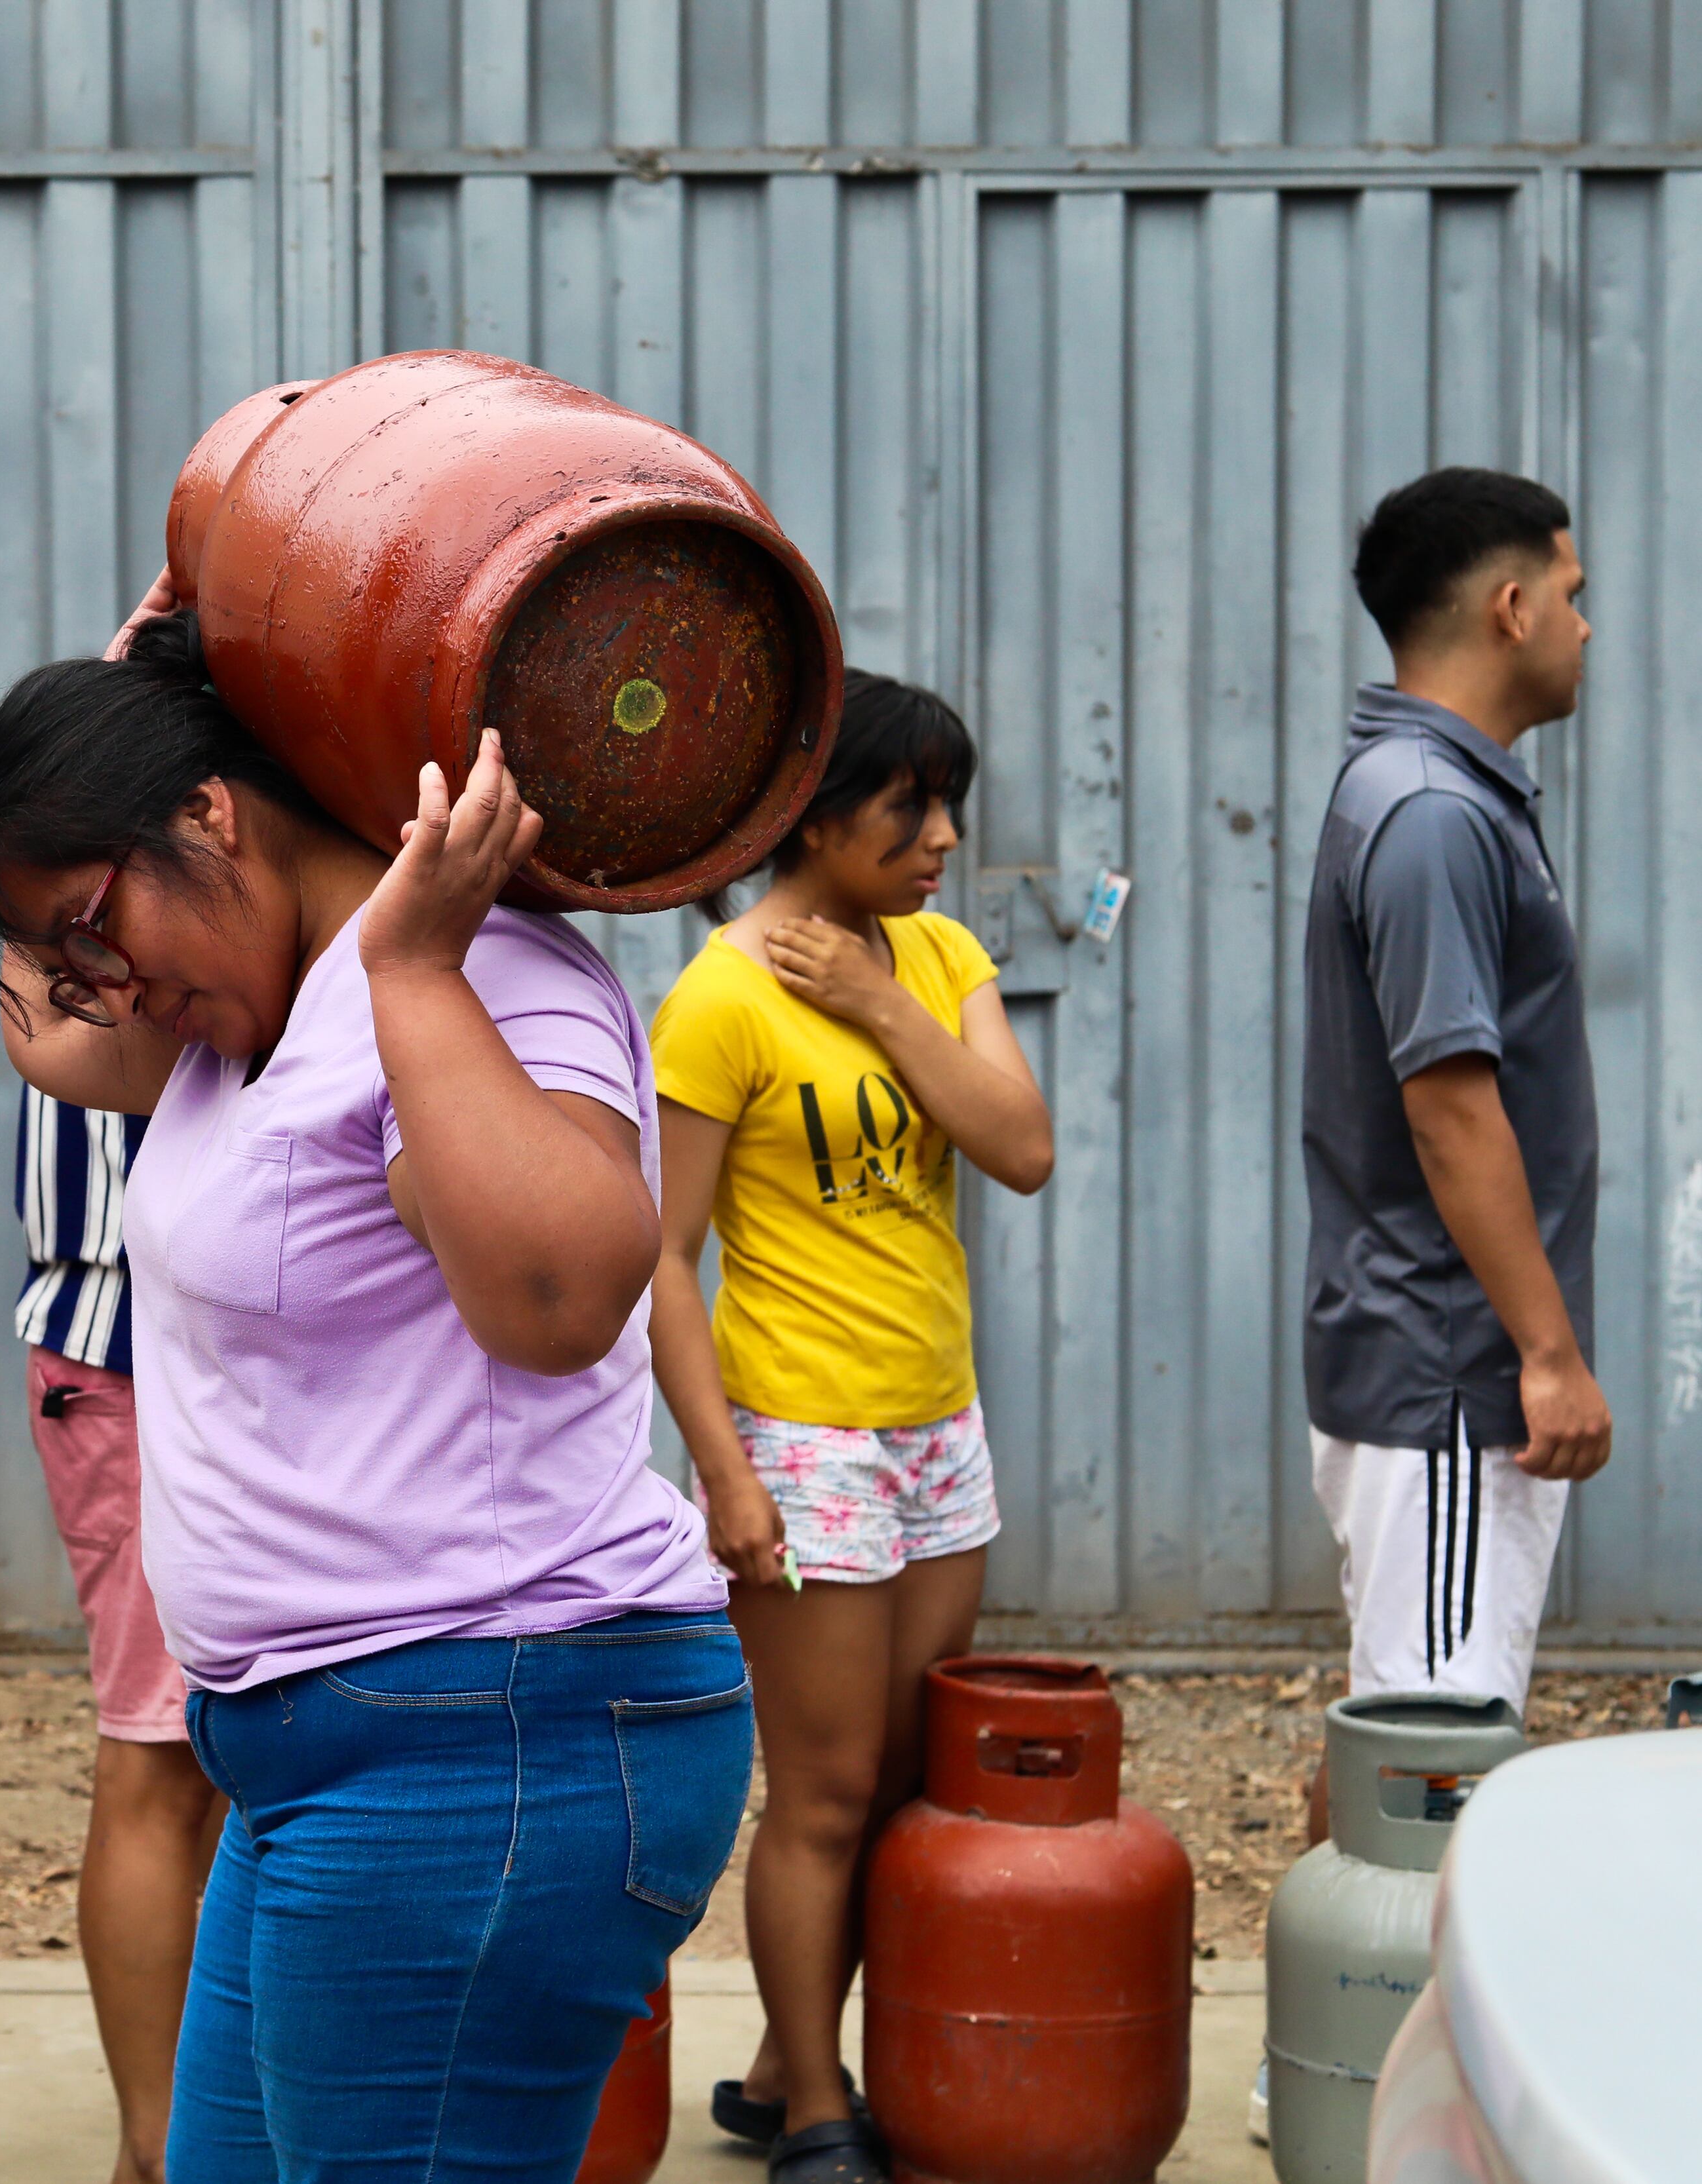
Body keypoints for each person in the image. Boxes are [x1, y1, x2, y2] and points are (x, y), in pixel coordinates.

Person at [0, 592, 752, 2184]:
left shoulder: (492, 974)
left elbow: (567, 1297)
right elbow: (54, 1036)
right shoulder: (228, 1013)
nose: (91, 981)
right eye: (64, 948)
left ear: (211, 816)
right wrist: (126, 712)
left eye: (99, 923)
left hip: (492, 1735)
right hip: (328, 1754)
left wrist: (421, 964)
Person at [644, 674, 1053, 2184]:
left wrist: (884, 998)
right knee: (818, 1791)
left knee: (897, 1775)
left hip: (936, 1425)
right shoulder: (718, 996)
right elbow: (658, 1260)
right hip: (803, 1436)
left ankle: (776, 2059)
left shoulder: (938, 956)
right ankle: (820, 2107)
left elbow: (1019, 1146)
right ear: (812, 815)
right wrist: (723, 1468)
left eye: (948, 803)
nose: (942, 836)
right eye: (910, 807)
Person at [1303, 470, 1604, 1716]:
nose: (1589, 627)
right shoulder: (1431, 812)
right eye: (1576, 597)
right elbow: (1450, 1105)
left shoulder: (1439, 793)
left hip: (1445, 1367)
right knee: (1434, 1759)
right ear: (1515, 607)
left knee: (1409, 1734)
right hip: (1450, 1376)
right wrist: (1547, 1354)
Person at [16, 1083, 223, 2184]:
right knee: (157, 1749)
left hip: (255, 1334)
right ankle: (159, 2150)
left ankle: (212, 2131)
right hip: (135, 1337)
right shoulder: (103, 928)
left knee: (257, 1745)